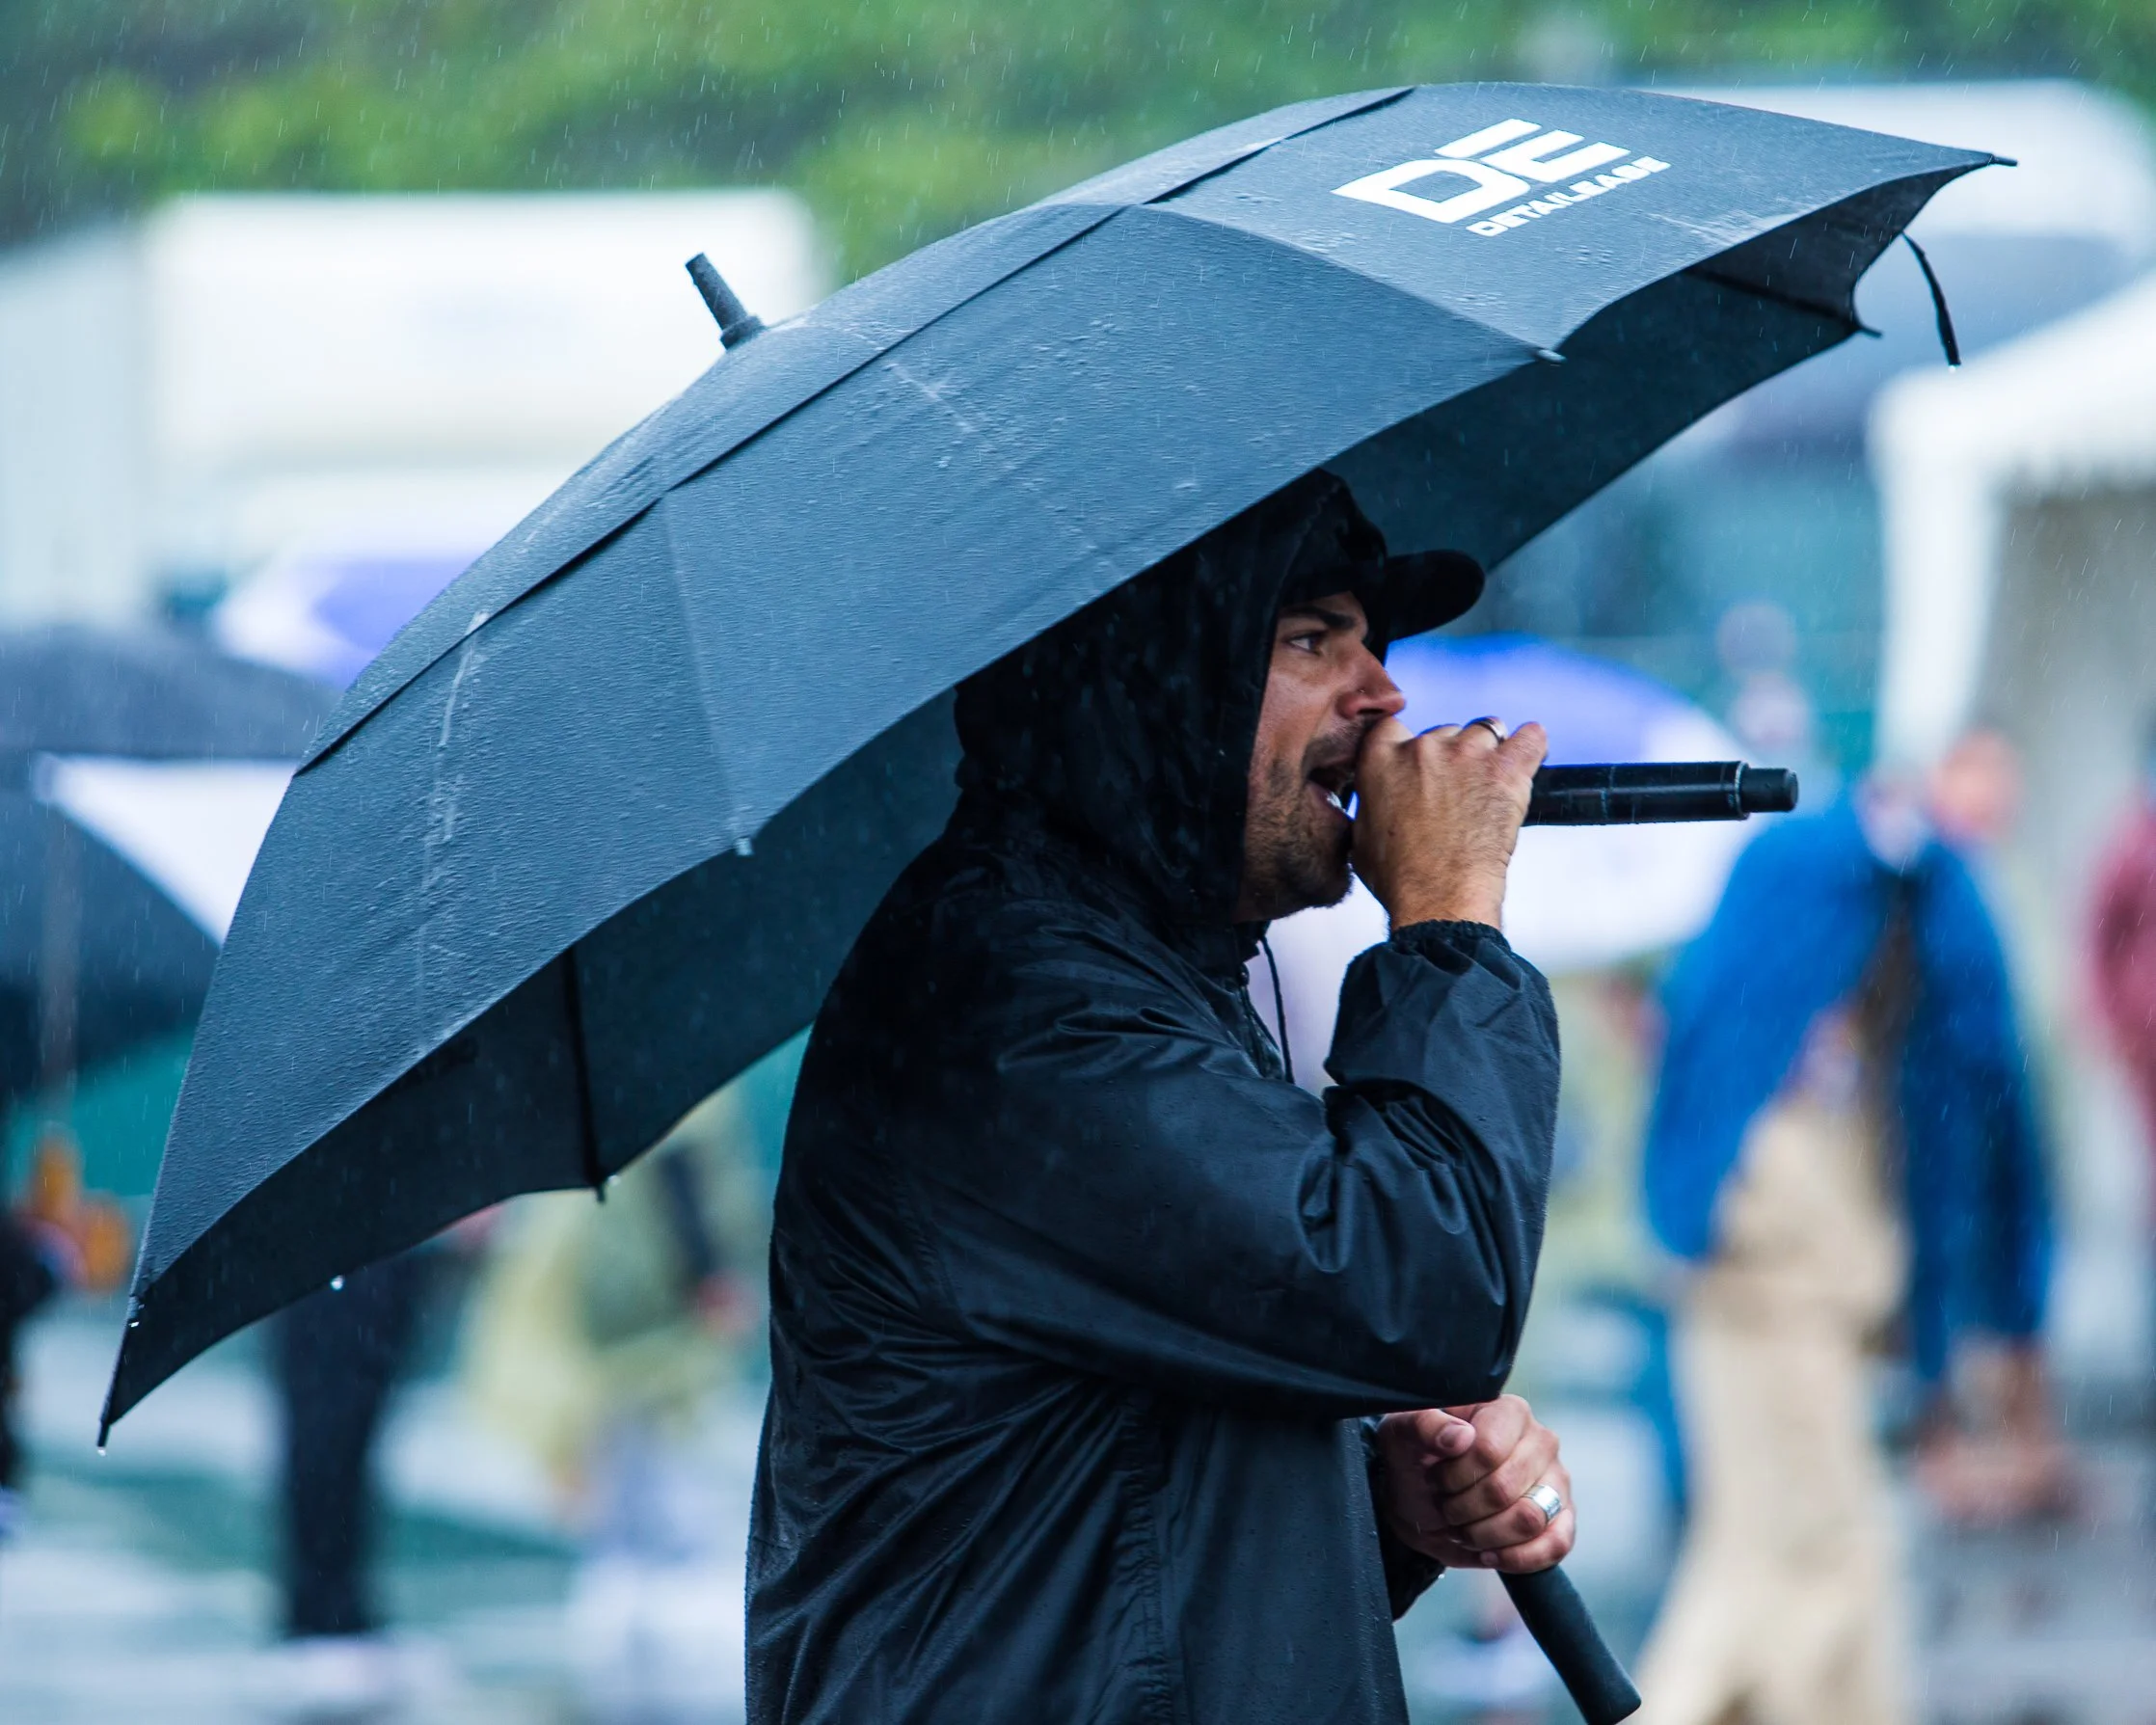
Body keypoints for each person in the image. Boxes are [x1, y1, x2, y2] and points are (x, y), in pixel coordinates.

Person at [749, 472, 1573, 1724]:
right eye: (1310, 639)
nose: (1385, 696)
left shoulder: (1135, 962)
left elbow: (1105, 1491)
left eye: (1373, 641)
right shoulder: (1013, 1006)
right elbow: (1422, 1283)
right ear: (1156, 681)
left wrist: (1381, 1512)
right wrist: (1448, 926)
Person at [1635, 769, 2052, 1725]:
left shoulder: (1793, 958)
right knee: (1821, 1567)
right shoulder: (1829, 943)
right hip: (1765, 1298)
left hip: (1752, 1286)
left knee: (1758, 1563)